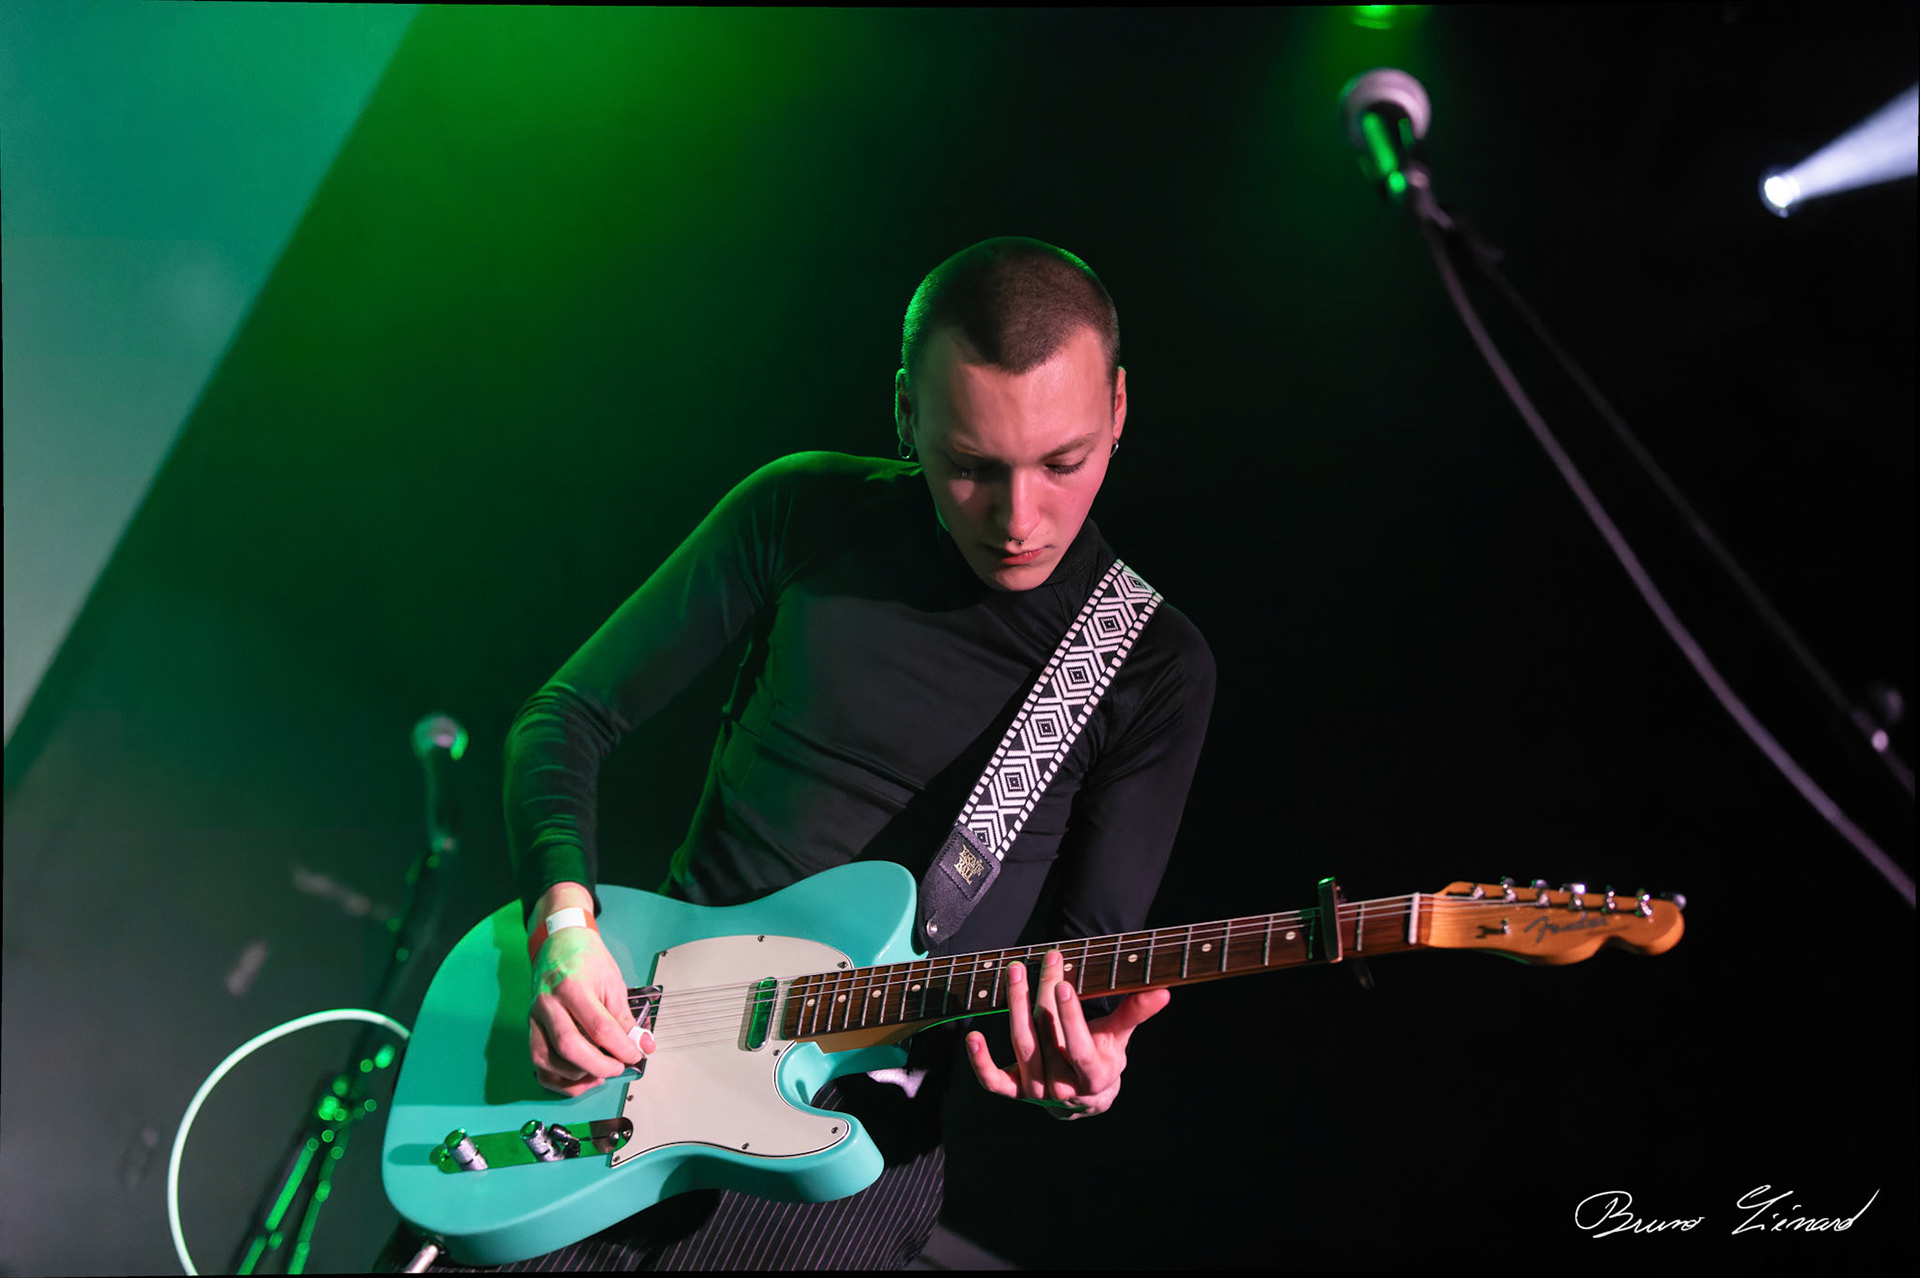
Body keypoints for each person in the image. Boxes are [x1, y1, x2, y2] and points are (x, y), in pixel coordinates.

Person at [396, 236, 1214, 1271]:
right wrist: (564, 930)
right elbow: (567, 717)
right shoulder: (804, 512)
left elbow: (1073, 984)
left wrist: (1079, 1073)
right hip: (613, 1077)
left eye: (1065, 463)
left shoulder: (1148, 666)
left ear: (1120, 411)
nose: (1020, 519)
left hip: (841, 1169)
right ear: (906, 411)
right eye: (970, 468)